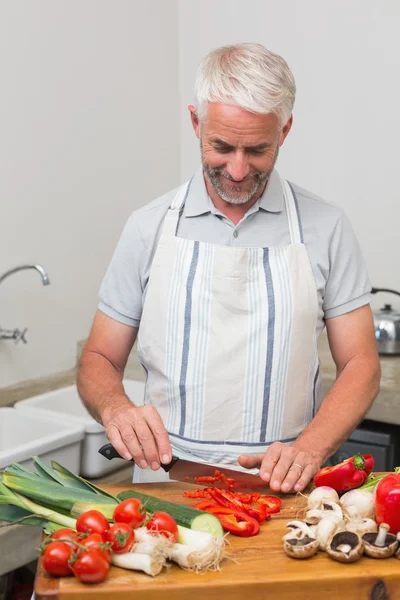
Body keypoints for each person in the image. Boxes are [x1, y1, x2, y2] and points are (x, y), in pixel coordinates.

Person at [78, 42, 380, 493]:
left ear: (285, 130)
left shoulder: (327, 226)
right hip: (165, 486)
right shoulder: (148, 227)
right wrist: (116, 408)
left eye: (257, 150)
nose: (238, 170)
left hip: (284, 488)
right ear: (196, 122)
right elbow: (99, 358)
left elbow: (361, 363)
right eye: (221, 146)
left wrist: (311, 449)